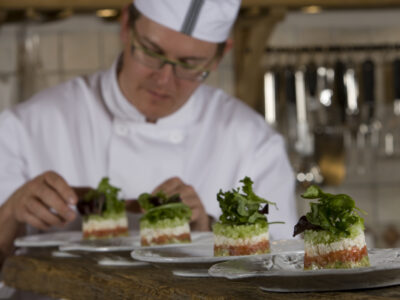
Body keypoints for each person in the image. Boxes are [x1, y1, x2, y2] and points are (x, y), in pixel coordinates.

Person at [0, 0, 298, 264]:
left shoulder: (254, 143)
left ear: (220, 56)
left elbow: (282, 267)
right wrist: (10, 214)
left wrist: (208, 232)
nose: (164, 80)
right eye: (151, 52)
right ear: (126, 25)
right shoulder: (25, 127)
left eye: (190, 65)